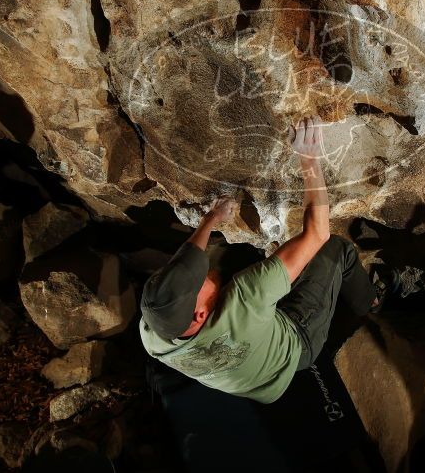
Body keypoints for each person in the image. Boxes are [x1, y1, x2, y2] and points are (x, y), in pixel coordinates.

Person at [139, 116, 381, 403]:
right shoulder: (244, 299)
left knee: (232, 267)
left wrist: (211, 220)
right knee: (336, 250)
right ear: (199, 314)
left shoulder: (152, 333)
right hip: (293, 348)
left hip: (250, 374)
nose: (202, 270)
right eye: (198, 281)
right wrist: (309, 157)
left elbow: (181, 268)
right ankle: (372, 303)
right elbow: (318, 234)